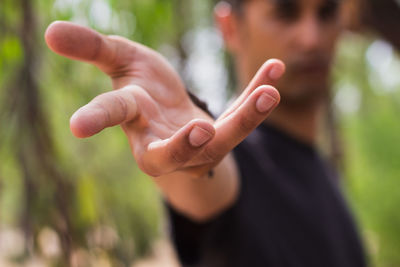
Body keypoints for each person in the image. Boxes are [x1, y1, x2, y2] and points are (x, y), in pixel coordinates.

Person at [44, 0, 366, 266]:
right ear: (230, 28)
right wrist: (194, 161)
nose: (312, 38)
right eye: (285, 12)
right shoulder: (237, 159)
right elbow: (209, 179)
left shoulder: (322, 173)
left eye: (327, 12)